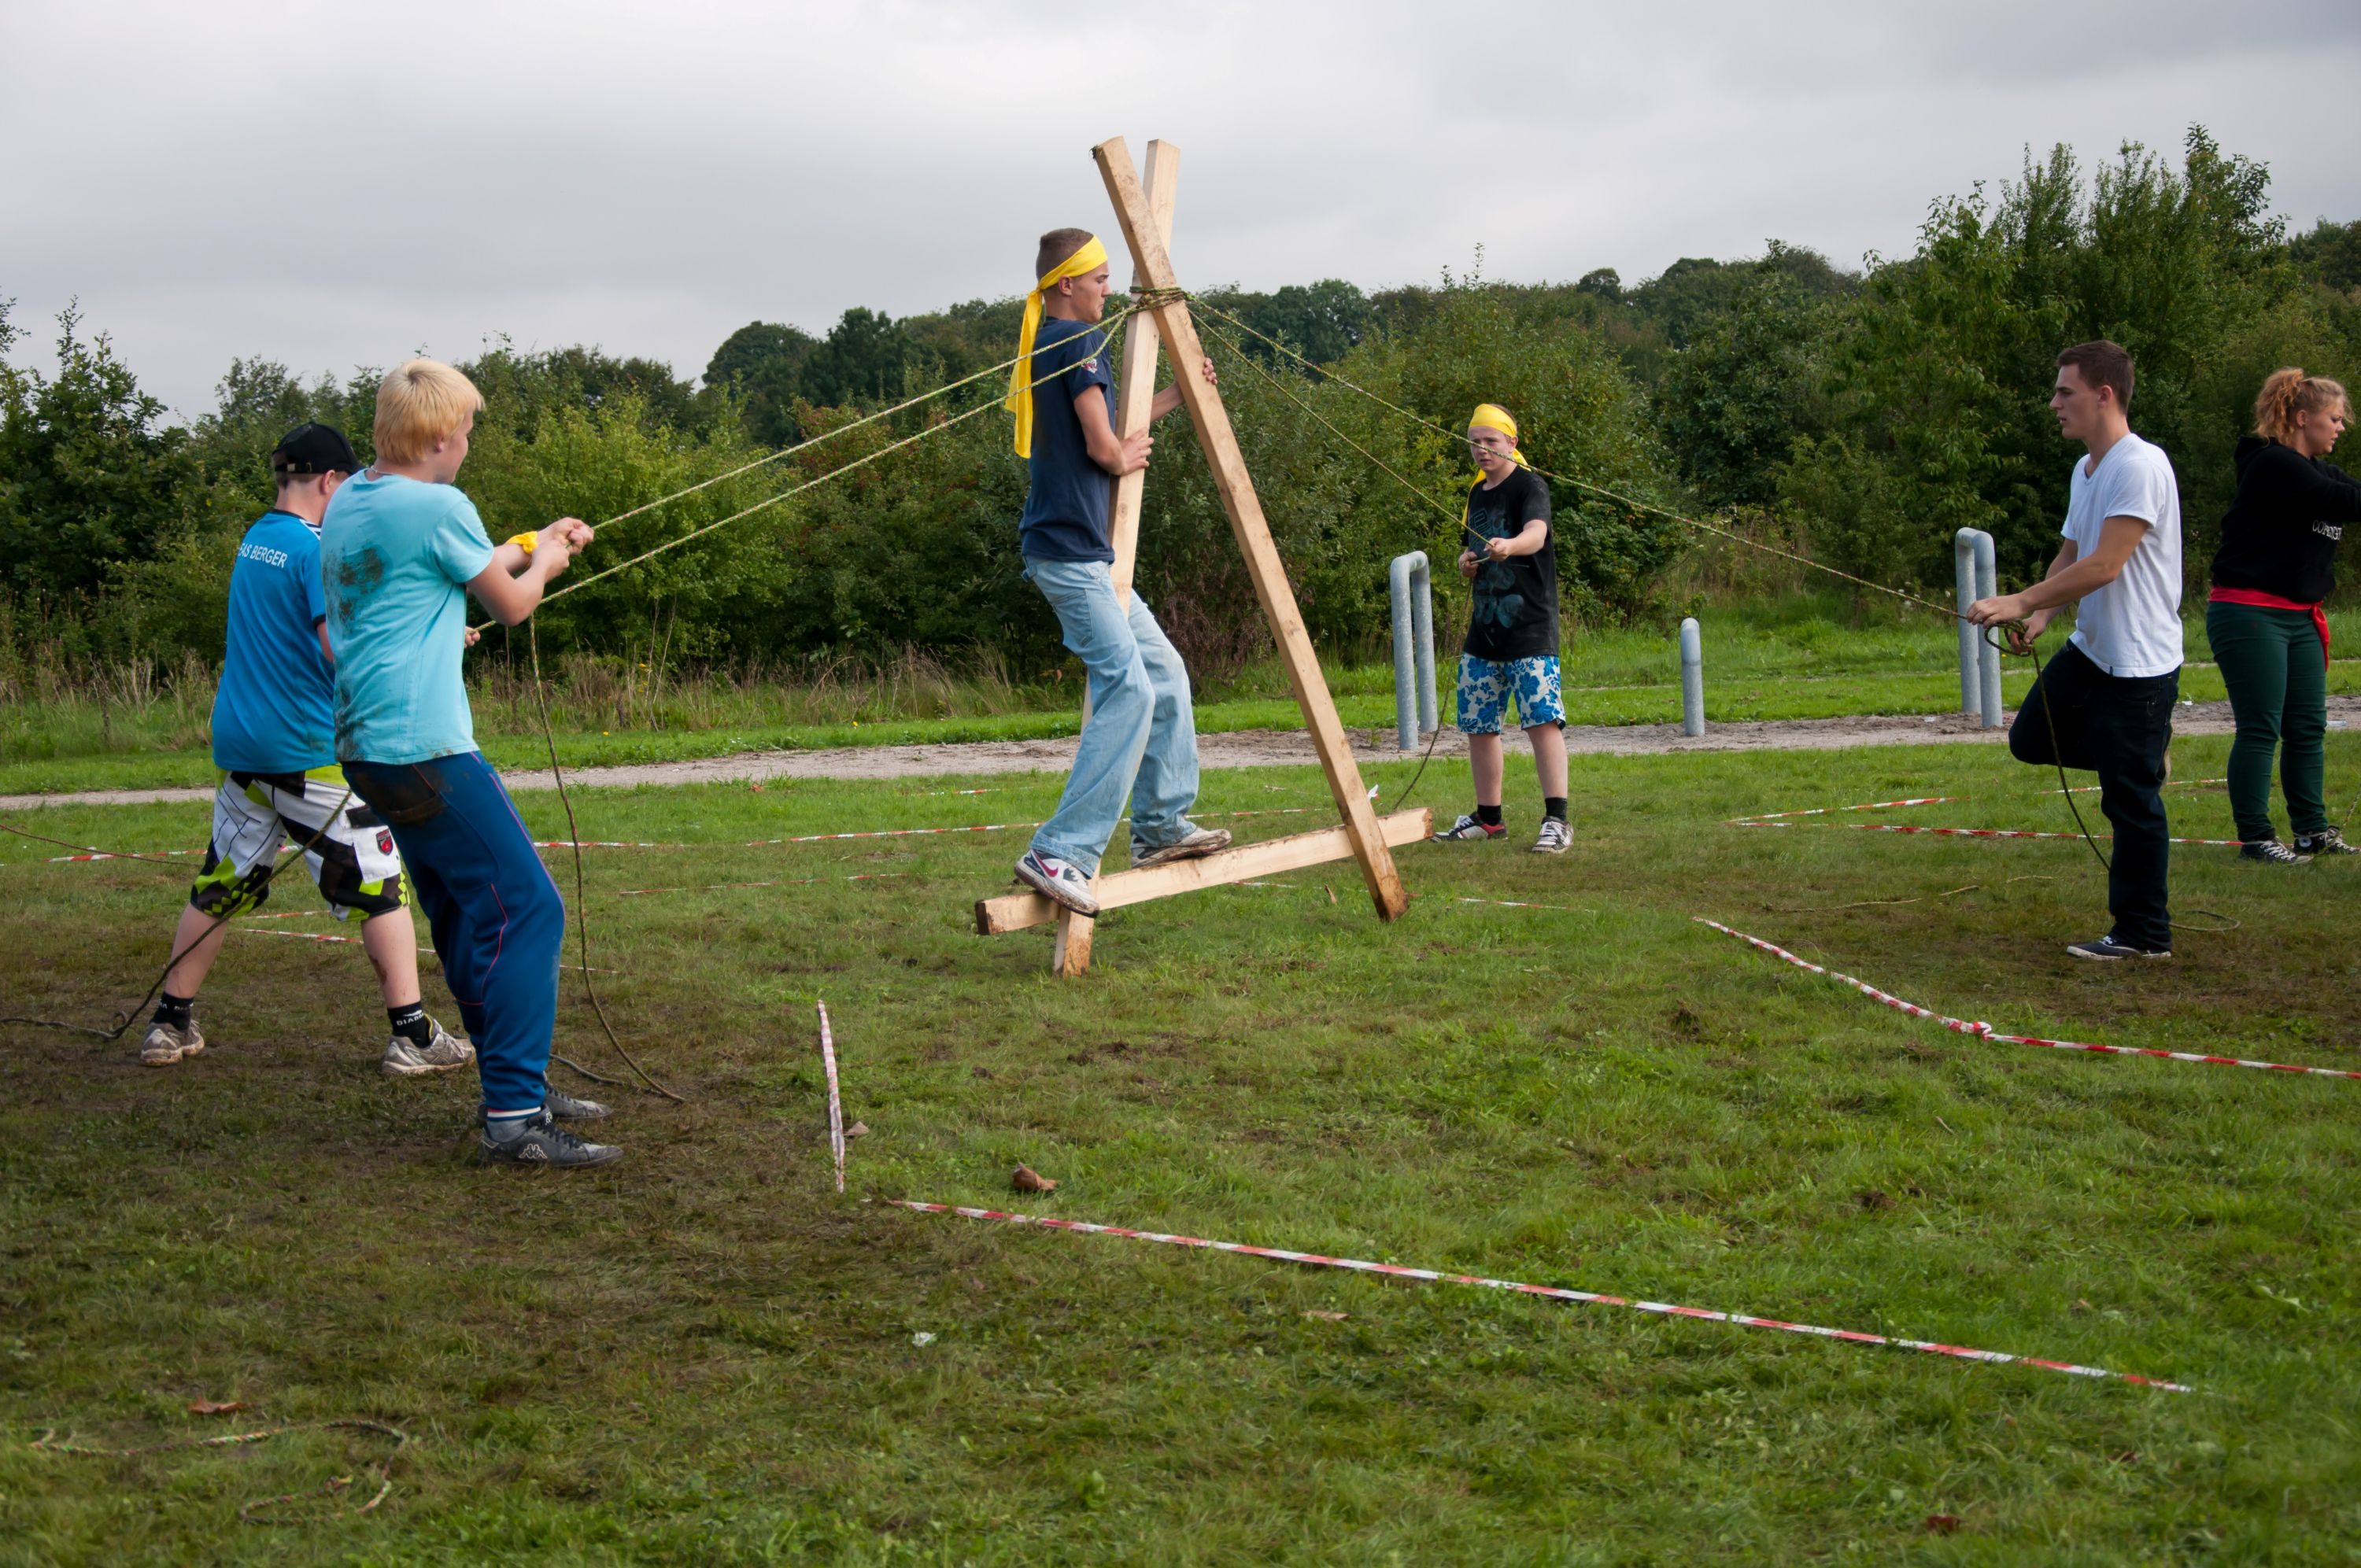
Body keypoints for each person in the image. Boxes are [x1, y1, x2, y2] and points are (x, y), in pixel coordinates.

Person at [320, 359, 617, 1167]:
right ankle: (515, 1118)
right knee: (527, 910)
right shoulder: (441, 504)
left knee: (464, 908)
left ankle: (512, 1080)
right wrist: (550, 558)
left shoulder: (352, 499)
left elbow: (436, 572)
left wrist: (528, 541)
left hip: (365, 748)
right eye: (470, 432)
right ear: (445, 436)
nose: (469, 445)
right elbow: (513, 604)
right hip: (426, 748)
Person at [139, 423, 475, 1079]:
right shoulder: (315, 548)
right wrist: (422, 641)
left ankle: (169, 1022)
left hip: (242, 748)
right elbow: (334, 646)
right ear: (329, 482)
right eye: (347, 484)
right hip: (306, 751)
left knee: (222, 886)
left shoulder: (256, 539)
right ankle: (412, 1034)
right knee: (381, 889)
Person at [1004, 227, 1229, 915]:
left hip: (1082, 554)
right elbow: (1105, 446)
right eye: (1099, 277)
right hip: (1070, 555)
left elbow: (1101, 426)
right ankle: (1059, 851)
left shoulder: (1055, 343)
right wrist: (1120, 456)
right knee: (1127, 688)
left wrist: (1171, 399)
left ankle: (1160, 826)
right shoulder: (1074, 341)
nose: (1109, 287)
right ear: (1065, 283)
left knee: (1164, 673)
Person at [1969, 341, 2183, 960]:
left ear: (2104, 395)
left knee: (2129, 803)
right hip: (2093, 650)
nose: (2054, 403)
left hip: (2140, 665)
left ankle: (2144, 935)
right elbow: (2072, 551)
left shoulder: (2139, 466)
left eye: (2065, 392)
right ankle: (2141, 758)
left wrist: (2017, 598)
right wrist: (2041, 614)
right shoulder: (2086, 468)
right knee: (2032, 738)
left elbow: (2106, 564)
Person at [2205, 368, 2360, 863]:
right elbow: (2344, 500)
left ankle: (2312, 832)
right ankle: (2256, 837)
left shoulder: (2317, 471)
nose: (2340, 428)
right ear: (2301, 418)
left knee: (2308, 726)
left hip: (2298, 616)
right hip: (2250, 613)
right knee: (2261, 727)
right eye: (2334, 419)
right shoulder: (2273, 464)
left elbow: (2347, 493)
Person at [1431, 404, 1570, 854]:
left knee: (1542, 722)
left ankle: (1557, 820)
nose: (1481, 449)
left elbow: (1537, 534)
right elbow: (1469, 550)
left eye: (1491, 441)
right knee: (1479, 725)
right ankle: (1488, 819)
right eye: (1474, 440)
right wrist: (1465, 563)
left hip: (1530, 628)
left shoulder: (1530, 485)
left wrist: (1511, 545)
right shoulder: (1477, 494)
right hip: (1484, 633)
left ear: (1512, 442)